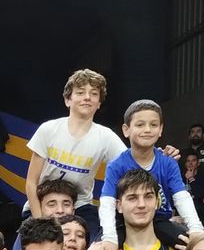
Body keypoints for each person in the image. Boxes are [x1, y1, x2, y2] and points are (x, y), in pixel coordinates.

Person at [92, 101, 204, 250]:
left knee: (192, 246)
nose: (147, 130)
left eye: (153, 125)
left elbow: (181, 197)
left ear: (160, 130)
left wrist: (195, 228)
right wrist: (109, 237)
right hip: (123, 221)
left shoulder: (168, 162)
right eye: (140, 124)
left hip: (158, 219)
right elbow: (107, 201)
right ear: (126, 130)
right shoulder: (116, 165)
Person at [23, 69, 127, 235]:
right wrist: (39, 222)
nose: (87, 97)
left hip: (80, 208)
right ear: (67, 100)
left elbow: (133, 164)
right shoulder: (49, 129)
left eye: (94, 94)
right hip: (41, 206)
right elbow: (30, 182)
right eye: (80, 92)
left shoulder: (106, 137)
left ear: (99, 103)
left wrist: (158, 154)